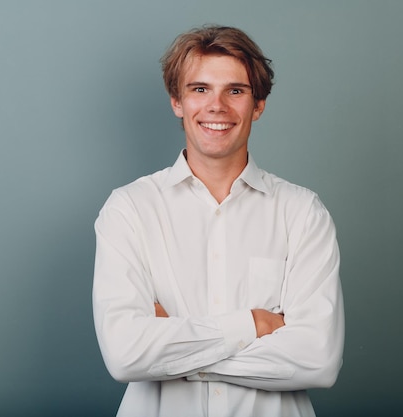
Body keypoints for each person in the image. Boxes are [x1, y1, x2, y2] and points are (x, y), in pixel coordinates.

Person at [92, 25, 344, 417]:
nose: (217, 106)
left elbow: (318, 359)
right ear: (177, 101)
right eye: (199, 89)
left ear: (258, 105)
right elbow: (126, 355)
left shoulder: (302, 212)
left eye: (236, 91)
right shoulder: (129, 209)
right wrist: (253, 325)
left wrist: (173, 348)